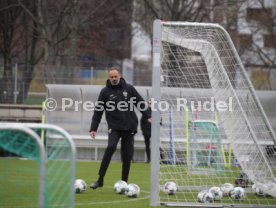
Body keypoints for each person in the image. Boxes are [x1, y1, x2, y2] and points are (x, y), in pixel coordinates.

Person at [89, 66, 151, 189]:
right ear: (109, 77)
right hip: (114, 127)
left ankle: (124, 183)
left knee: (127, 155)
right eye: (111, 77)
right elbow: (98, 112)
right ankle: (100, 179)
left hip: (129, 127)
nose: (114, 79)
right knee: (110, 147)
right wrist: (93, 128)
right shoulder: (105, 92)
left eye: (115, 76)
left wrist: (149, 115)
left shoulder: (129, 89)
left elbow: (140, 102)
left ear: (120, 76)